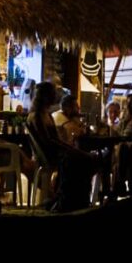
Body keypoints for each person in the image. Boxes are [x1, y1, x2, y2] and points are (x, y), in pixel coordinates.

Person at [27, 82, 97, 212]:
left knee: (86, 158)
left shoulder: (44, 114)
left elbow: (54, 140)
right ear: (46, 96)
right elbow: (49, 142)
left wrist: (71, 149)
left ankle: (74, 198)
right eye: (53, 93)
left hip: (53, 153)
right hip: (49, 156)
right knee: (86, 159)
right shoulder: (38, 116)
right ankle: (75, 199)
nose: (55, 96)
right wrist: (71, 150)